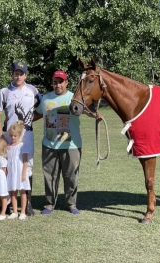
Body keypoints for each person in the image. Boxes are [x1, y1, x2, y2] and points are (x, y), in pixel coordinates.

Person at [34, 69, 98, 215]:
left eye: (60, 82)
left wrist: (96, 115)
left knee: (71, 176)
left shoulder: (73, 97)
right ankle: (49, 204)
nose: (57, 85)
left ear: (66, 82)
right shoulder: (46, 98)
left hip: (71, 145)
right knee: (50, 176)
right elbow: (38, 114)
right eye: (55, 82)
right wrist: (20, 121)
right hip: (49, 145)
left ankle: (71, 204)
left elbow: (87, 110)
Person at [0, 61, 41, 216]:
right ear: (12, 74)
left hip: (27, 135)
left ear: (26, 75)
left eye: (21, 73)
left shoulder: (32, 90)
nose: (18, 76)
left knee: (27, 166)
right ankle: (7, 203)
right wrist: (1, 133)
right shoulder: (4, 91)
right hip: (9, 135)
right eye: (16, 73)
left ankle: (27, 205)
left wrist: (29, 121)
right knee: (7, 167)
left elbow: (42, 108)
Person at [6, 121, 31, 220]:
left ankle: (23, 211)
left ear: (19, 135)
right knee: (13, 192)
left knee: (22, 191)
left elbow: (25, 161)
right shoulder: (8, 147)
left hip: (20, 172)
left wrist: (23, 174)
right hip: (12, 172)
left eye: (15, 136)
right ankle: (15, 211)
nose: (13, 138)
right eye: (11, 136)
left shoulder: (22, 146)